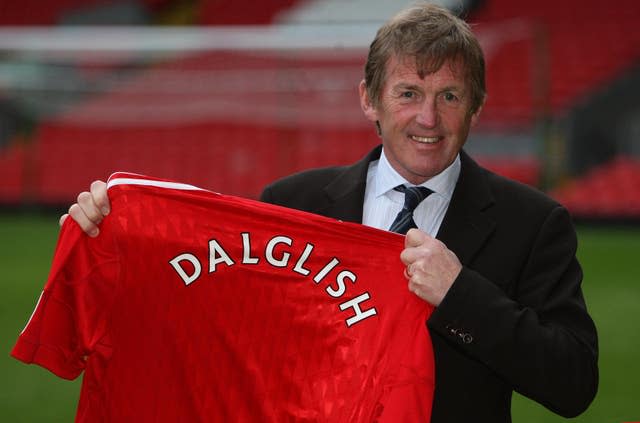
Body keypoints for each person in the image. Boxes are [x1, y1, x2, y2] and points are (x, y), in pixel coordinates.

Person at [60, 3, 598, 422]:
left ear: (476, 107)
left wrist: (461, 296)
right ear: (370, 99)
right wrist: (117, 244)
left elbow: (573, 385)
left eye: (450, 96)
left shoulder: (532, 223)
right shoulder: (291, 204)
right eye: (409, 92)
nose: (428, 118)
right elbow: (213, 328)